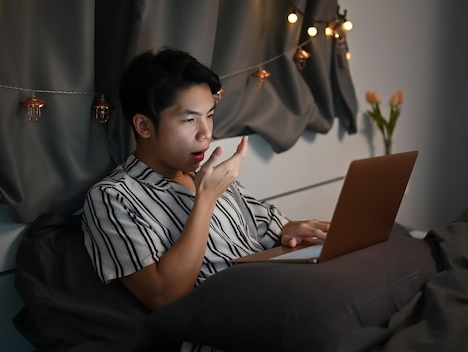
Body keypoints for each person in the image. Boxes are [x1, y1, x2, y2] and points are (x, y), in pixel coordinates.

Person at [82, 47, 329, 312]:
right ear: (144, 126)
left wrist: (291, 231)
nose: (206, 134)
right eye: (189, 120)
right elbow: (166, 296)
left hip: (280, 292)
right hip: (228, 323)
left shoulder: (208, 176)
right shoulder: (112, 197)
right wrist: (206, 199)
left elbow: (275, 230)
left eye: (209, 116)